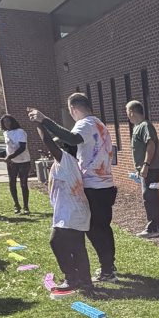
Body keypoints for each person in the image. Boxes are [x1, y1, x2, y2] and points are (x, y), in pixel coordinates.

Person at [27, 94, 118, 282]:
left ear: (73, 108)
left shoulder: (84, 124)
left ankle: (107, 270)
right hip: (105, 185)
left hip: (93, 187)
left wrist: (43, 120)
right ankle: (109, 265)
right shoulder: (98, 123)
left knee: (95, 231)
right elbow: (71, 140)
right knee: (103, 228)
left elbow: (71, 138)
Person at [34, 122, 92, 297]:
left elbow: (48, 142)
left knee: (56, 242)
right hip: (73, 212)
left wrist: (39, 123)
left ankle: (72, 277)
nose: (52, 149)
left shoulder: (66, 160)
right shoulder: (64, 163)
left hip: (72, 213)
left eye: (58, 145)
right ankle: (84, 279)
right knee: (77, 247)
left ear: (64, 149)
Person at [126, 100, 159, 237]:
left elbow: (151, 145)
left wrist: (146, 165)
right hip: (149, 169)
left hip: (151, 169)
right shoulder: (138, 127)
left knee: (149, 196)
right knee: (151, 196)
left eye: (127, 112)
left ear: (131, 112)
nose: (127, 115)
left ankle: (152, 228)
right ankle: (158, 225)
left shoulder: (145, 125)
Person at [0, 115, 31, 214]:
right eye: (4, 122)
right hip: (12, 162)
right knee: (12, 183)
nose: (6, 124)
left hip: (23, 161)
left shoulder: (20, 132)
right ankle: (16, 205)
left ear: (12, 121)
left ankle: (26, 207)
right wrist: (3, 155)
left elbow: (22, 147)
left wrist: (10, 156)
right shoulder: (6, 133)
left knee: (23, 184)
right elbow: (9, 147)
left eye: (8, 121)